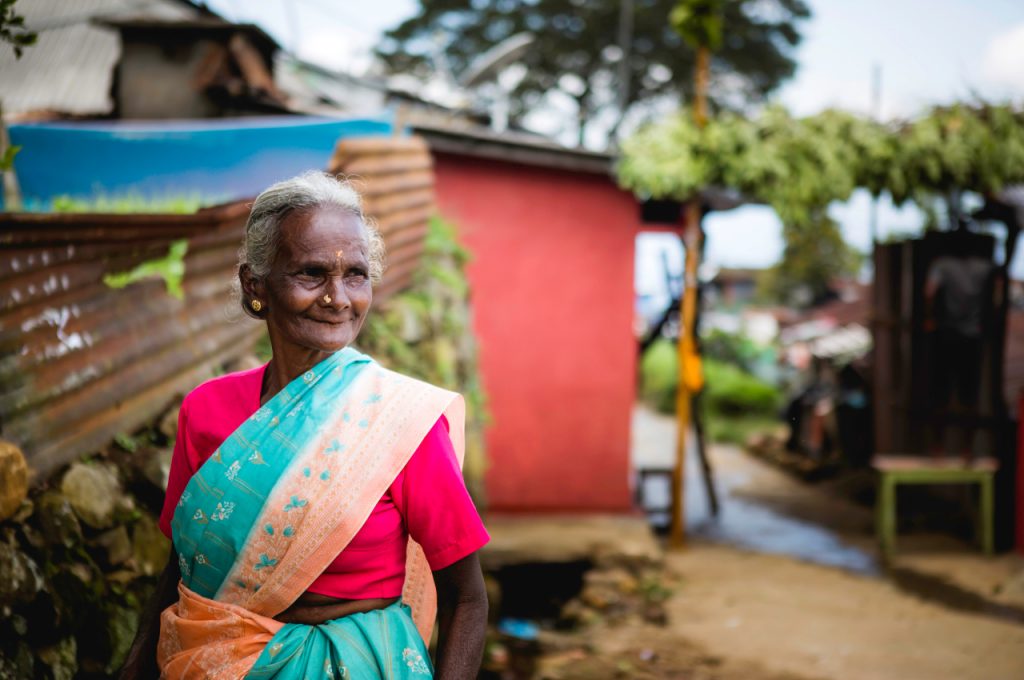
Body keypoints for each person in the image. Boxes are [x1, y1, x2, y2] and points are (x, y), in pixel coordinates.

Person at [119, 172, 489, 679]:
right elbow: (183, 564)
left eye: (356, 275)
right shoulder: (207, 412)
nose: (338, 297)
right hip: (212, 659)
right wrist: (138, 660)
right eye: (312, 273)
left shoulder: (400, 423)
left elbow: (466, 597)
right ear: (257, 285)